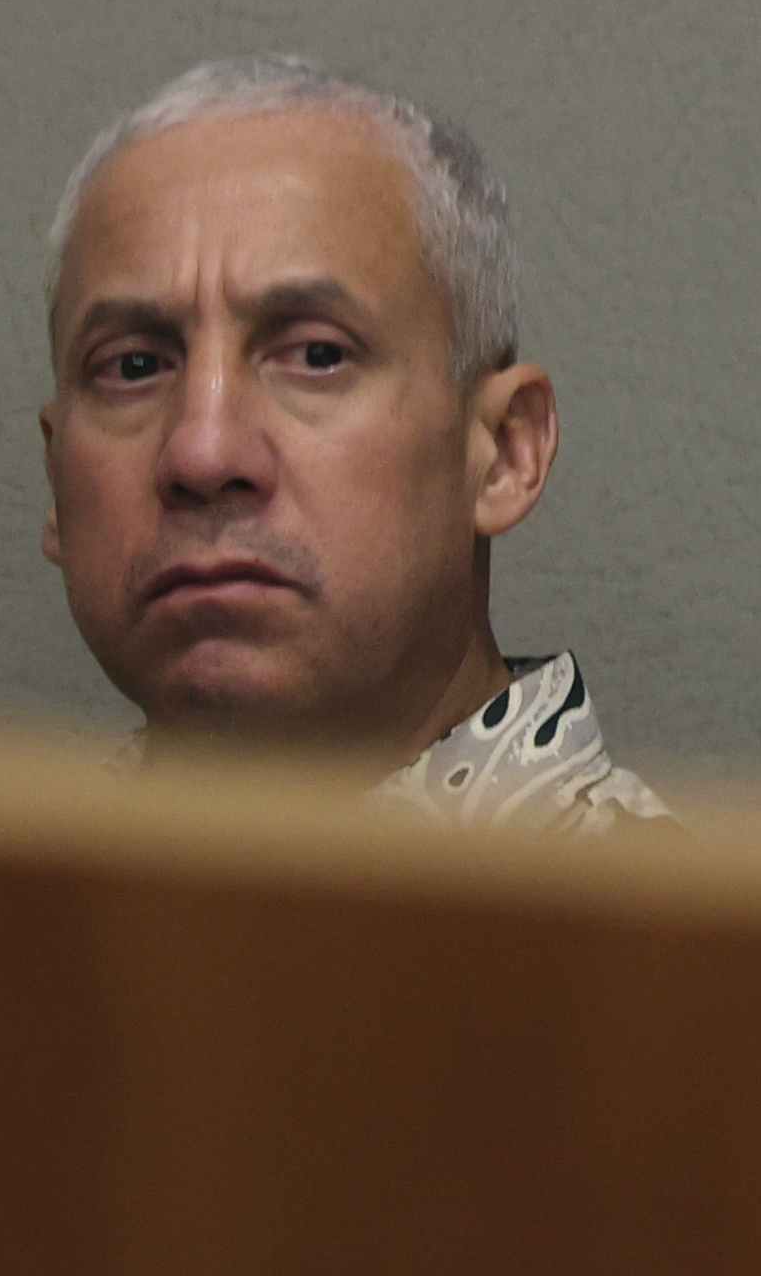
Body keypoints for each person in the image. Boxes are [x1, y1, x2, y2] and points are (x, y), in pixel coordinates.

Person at [42, 55, 670, 829]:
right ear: (54, 484)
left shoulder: (657, 942)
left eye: (317, 355)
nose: (201, 453)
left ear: (505, 452)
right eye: (133, 366)